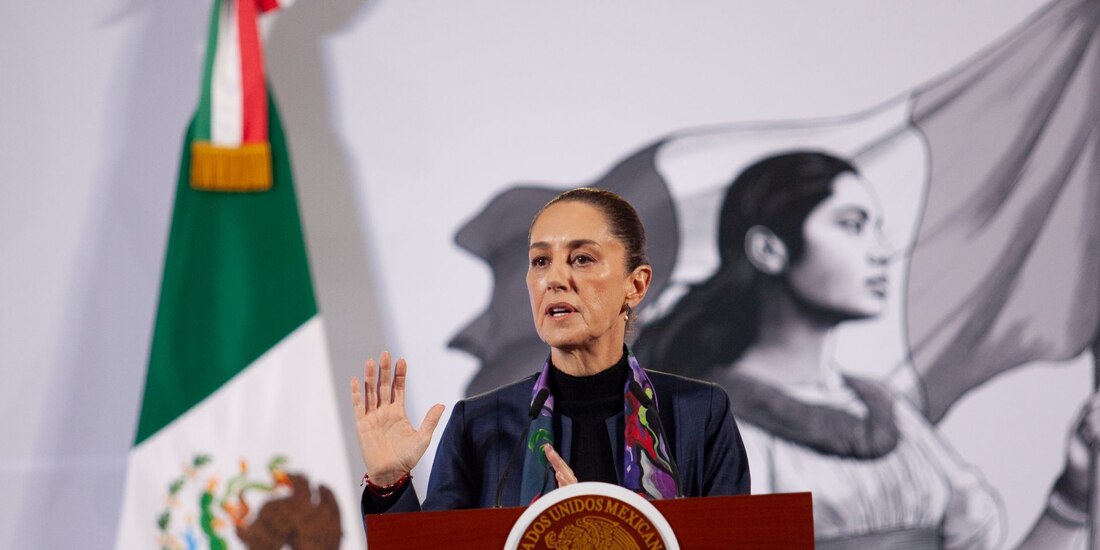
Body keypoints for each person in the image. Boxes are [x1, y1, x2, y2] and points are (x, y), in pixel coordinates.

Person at [634, 150, 1098, 549]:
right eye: (852, 225)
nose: (880, 251)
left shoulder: (894, 417)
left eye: (878, 228)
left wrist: (1072, 497)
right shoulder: (709, 425)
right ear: (769, 249)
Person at [350, 188, 751, 519]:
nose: (554, 279)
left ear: (636, 285)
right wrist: (389, 486)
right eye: (540, 261)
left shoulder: (699, 416)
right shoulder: (480, 426)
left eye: (581, 258)